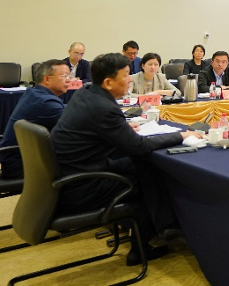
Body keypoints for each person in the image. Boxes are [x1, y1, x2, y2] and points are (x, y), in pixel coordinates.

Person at [50, 53, 201, 266]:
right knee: (147, 181)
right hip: (82, 185)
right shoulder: (105, 108)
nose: (130, 80)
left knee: (144, 166)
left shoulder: (86, 93)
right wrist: (182, 135)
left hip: (73, 171)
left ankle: (165, 226)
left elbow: (97, 128)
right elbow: (139, 146)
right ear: (108, 82)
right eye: (126, 75)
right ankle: (142, 247)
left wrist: (122, 128)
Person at [0, 59, 69, 179]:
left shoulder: (34, 93)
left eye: (69, 76)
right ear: (47, 79)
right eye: (64, 76)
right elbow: (73, 126)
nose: (68, 80)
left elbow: (63, 108)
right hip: (22, 165)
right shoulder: (46, 103)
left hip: (14, 159)